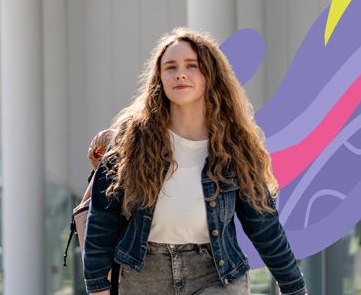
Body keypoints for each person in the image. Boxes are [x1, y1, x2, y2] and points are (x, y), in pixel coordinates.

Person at [80, 28, 306, 295]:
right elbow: (102, 216)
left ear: (210, 75)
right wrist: (97, 286)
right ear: (159, 78)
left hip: (215, 272)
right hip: (144, 274)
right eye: (170, 67)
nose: (180, 74)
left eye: (192, 65)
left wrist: (293, 286)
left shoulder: (235, 145)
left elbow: (263, 224)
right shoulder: (131, 139)